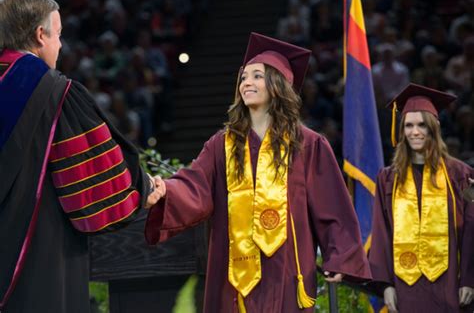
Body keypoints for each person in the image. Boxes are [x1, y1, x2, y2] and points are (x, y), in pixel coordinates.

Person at [145, 32, 371, 312]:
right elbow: (196, 186)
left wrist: (340, 257)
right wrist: (167, 189)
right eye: (243, 77)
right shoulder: (221, 145)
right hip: (233, 277)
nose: (246, 82)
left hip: (288, 273)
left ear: (278, 85)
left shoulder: (308, 144)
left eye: (257, 76)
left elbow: (332, 206)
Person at [0, 0, 162, 312]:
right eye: (58, 35)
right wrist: (142, 189)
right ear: (39, 35)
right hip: (40, 263)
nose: (60, 46)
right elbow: (97, 188)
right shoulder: (53, 94)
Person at [368, 83, 474, 313]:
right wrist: (386, 284)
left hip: (449, 285)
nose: (415, 132)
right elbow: (381, 233)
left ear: (434, 127)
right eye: (408, 125)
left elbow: (470, 231)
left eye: (421, 125)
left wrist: (468, 279)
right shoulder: (388, 179)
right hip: (405, 286)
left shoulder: (460, 175)